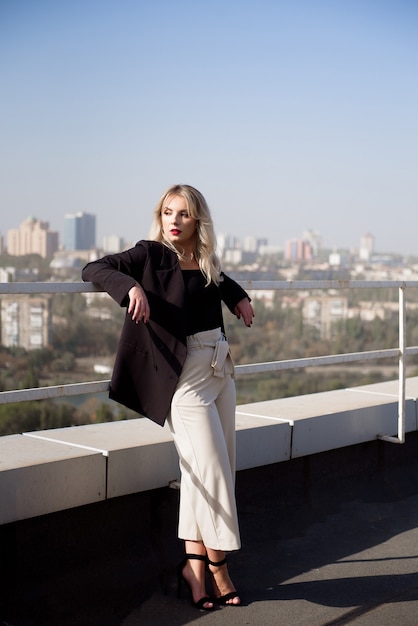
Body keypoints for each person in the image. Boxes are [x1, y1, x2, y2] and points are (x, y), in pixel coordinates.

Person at [82, 184, 254, 610]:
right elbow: (95, 267)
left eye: (183, 215)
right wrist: (130, 289)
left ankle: (192, 569)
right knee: (212, 470)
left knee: (208, 472)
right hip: (184, 380)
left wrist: (239, 297)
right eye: (167, 213)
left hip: (220, 366)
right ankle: (219, 567)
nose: (173, 221)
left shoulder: (205, 258)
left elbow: (215, 282)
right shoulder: (150, 254)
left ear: (198, 221)